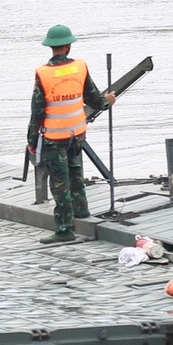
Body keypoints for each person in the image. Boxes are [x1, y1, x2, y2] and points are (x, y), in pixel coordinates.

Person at [25, 26, 118, 243]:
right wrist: (107, 102)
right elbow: (93, 99)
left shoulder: (43, 73)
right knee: (75, 171)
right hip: (77, 134)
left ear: (51, 47)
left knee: (59, 182)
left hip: (53, 138)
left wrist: (31, 140)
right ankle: (82, 211)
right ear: (69, 46)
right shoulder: (80, 67)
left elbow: (37, 110)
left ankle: (65, 229)